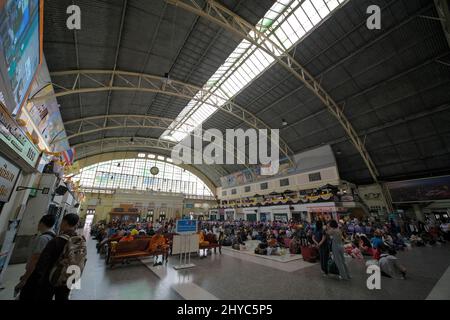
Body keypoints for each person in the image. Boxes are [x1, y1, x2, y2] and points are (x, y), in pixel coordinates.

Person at [20, 214, 85, 300]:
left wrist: (31, 278)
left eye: (62, 221)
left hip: (52, 277)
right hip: (70, 276)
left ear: (64, 222)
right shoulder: (80, 240)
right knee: (63, 297)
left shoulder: (56, 241)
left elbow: (42, 263)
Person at [15, 214, 56, 296]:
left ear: (41, 223)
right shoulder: (53, 235)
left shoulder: (43, 239)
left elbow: (35, 260)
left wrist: (25, 279)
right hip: (43, 274)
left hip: (35, 275)